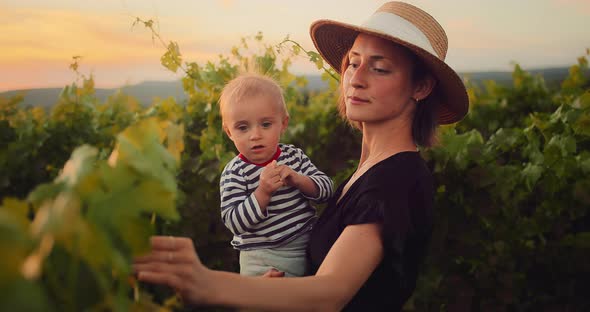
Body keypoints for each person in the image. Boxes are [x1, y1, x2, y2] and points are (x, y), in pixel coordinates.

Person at [134, 2, 469, 311]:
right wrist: (264, 291)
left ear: (421, 87)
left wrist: (208, 283)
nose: (356, 78)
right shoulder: (368, 170)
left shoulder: (395, 180)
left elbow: (330, 294)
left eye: (379, 68)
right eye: (352, 63)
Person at [217, 73, 334, 277]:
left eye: (265, 124)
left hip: (306, 247)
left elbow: (326, 190)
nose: (255, 135)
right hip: (262, 259)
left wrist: (299, 179)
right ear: (229, 132)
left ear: (283, 123)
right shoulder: (235, 172)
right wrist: (262, 193)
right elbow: (234, 222)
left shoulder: (293, 157)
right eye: (243, 127)